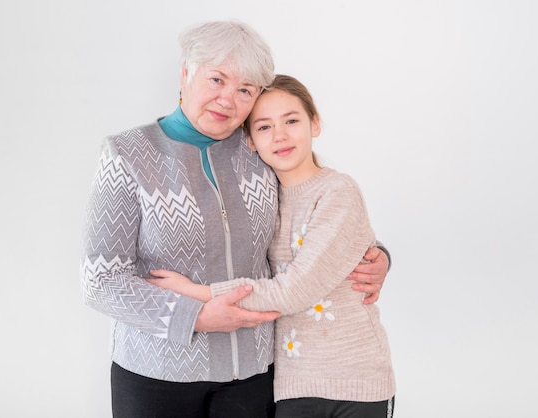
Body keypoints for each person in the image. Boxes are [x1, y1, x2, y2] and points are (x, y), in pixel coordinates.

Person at [80, 21, 391, 418]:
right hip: (155, 373)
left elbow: (315, 212)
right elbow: (101, 281)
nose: (228, 99)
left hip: (253, 374)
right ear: (186, 73)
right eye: (216, 79)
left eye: (245, 90)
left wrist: (375, 255)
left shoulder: (258, 149)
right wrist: (196, 316)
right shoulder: (127, 155)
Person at [147, 74, 396, 418]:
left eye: (291, 120)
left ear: (315, 124)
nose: (279, 135)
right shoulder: (262, 200)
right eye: (264, 127)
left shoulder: (337, 191)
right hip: (293, 385)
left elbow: (296, 290)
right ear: (249, 140)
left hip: (355, 380)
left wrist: (197, 292)